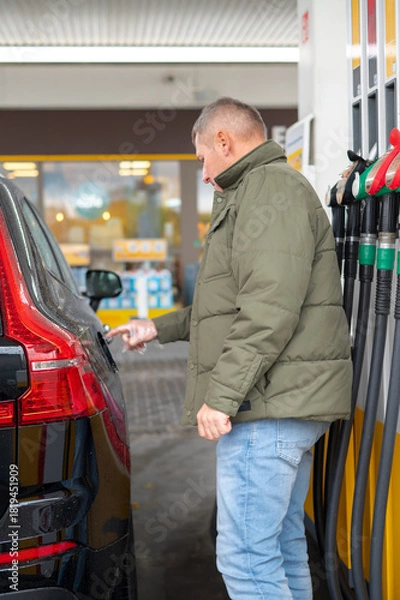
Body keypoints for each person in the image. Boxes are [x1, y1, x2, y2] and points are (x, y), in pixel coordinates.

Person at [107, 97, 352, 600]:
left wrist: (221, 396)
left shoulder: (267, 191)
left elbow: (267, 311)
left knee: (244, 559)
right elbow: (236, 303)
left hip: (268, 408)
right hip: (285, 402)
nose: (202, 172)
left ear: (224, 141)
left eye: (201, 158)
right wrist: (157, 326)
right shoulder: (260, 190)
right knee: (279, 548)